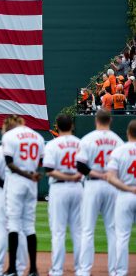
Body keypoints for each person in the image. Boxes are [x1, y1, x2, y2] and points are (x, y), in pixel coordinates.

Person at [75, 110, 121, 276]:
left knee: (87, 229)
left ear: (96, 120)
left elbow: (80, 166)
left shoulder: (88, 139)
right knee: (112, 229)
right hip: (112, 186)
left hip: (93, 186)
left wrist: (98, 174)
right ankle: (114, 271)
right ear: (111, 120)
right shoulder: (118, 141)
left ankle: (84, 271)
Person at [1, 115, 45, 276]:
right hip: (31, 182)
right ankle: (33, 269)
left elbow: (10, 164)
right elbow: (42, 162)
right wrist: (33, 175)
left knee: (13, 223)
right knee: (29, 225)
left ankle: (12, 268)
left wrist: (27, 174)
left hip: (17, 181)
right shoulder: (38, 136)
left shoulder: (9, 136)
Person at [0, 117, 28, 276]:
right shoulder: (21, 153)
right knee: (21, 230)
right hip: (19, 193)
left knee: (1, 233)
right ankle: (19, 267)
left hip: (2, 195)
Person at [44, 114, 83, 276]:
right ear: (72, 126)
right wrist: (74, 176)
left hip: (59, 190)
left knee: (58, 231)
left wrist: (67, 176)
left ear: (57, 127)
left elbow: (48, 170)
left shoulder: (52, 145)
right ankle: (81, 269)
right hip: (78, 189)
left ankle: (57, 269)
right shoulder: (81, 143)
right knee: (78, 231)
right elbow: (85, 167)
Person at [106, 119, 136, 276]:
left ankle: (121, 272)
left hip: (125, 195)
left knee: (122, 236)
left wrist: (129, 189)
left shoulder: (119, 151)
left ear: (128, 132)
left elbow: (111, 178)